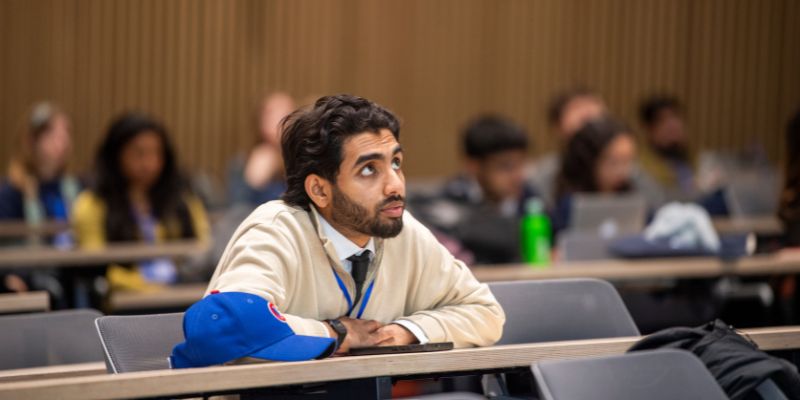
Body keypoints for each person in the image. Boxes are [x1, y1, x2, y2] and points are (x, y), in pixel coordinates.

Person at [207, 94, 504, 353]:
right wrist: (335, 334)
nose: (395, 185)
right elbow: (224, 326)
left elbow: (485, 312)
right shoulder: (275, 230)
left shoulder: (402, 230)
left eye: (396, 163)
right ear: (320, 190)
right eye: (368, 170)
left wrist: (408, 331)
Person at [72, 112, 210, 292]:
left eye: (156, 153)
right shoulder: (91, 204)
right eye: (139, 153)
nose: (149, 163)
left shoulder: (183, 200)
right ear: (116, 155)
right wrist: (146, 288)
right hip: (122, 301)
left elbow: (204, 249)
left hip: (182, 292)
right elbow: (96, 265)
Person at [411, 115, 537, 264]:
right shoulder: (449, 200)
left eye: (521, 164)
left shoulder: (530, 198)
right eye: (506, 167)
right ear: (474, 166)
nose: (518, 176)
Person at [0, 102, 79, 293]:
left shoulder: (74, 187)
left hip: (71, 268)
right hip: (30, 273)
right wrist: (10, 276)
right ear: (31, 141)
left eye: (65, 135)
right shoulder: (12, 192)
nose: (62, 142)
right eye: (52, 135)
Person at [551, 117, 637, 236]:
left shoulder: (631, 196)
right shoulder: (570, 205)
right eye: (614, 162)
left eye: (627, 161)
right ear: (590, 161)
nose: (622, 171)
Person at [530, 87, 608, 207]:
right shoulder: (544, 173)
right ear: (557, 126)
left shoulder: (628, 169)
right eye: (577, 108)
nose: (588, 114)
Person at [227, 92, 295, 206]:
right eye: (272, 114)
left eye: (287, 114)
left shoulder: (302, 160)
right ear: (260, 121)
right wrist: (252, 182)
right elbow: (237, 208)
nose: (280, 120)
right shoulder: (241, 162)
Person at [637, 95, 696, 201]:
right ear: (649, 129)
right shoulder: (641, 166)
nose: (673, 125)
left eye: (675, 118)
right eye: (663, 120)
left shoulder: (690, 158)